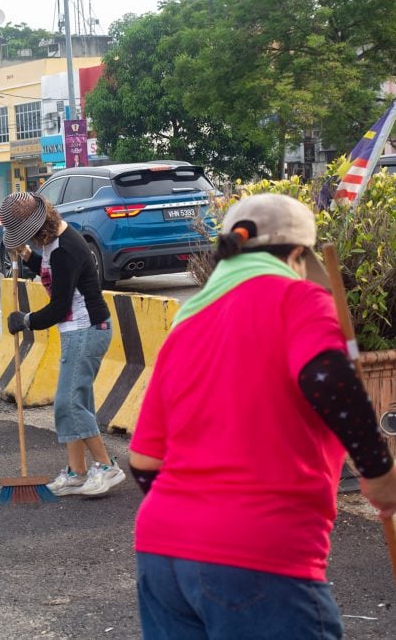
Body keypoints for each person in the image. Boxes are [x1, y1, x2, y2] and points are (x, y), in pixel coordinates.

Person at [129, 193, 396, 639]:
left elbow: (144, 461)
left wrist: (194, 521)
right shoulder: (296, 298)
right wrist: (379, 471)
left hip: (161, 555)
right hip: (258, 552)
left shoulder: (186, 325)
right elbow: (327, 379)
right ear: (296, 255)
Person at [0, 192, 124, 497]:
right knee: (77, 401)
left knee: (69, 403)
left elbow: (58, 305)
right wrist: (28, 256)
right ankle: (76, 471)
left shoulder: (65, 249)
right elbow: (51, 272)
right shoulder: (57, 241)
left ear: (39, 227)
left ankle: (107, 466)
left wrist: (25, 320)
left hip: (87, 330)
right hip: (78, 331)